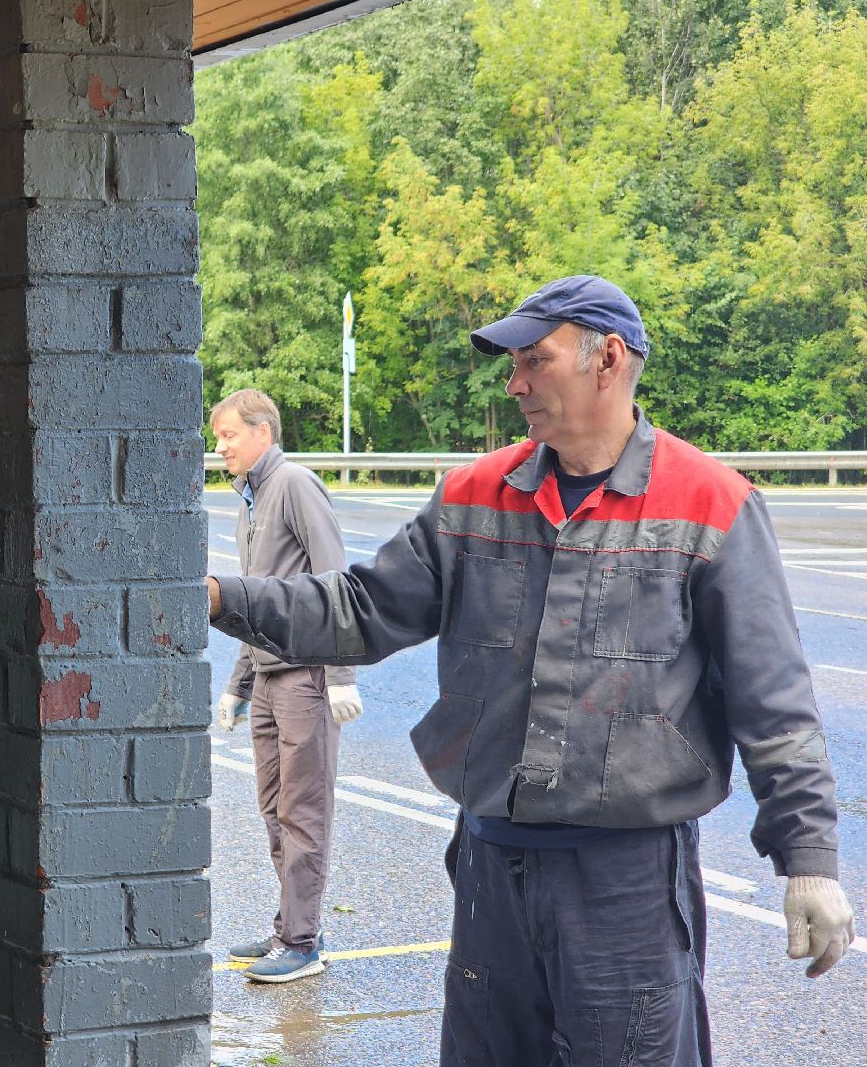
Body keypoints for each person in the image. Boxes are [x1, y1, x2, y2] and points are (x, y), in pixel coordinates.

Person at [206, 276, 853, 1063]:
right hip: (491, 870)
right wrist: (220, 597)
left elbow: (774, 701)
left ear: (607, 359)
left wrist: (809, 860)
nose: (514, 385)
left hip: (627, 885)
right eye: (512, 365)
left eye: (533, 361)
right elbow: (360, 608)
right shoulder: (475, 495)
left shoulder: (710, 504)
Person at [210, 389, 363, 984]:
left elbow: (336, 580)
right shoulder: (249, 498)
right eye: (218, 437)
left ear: (262, 433)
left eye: (229, 435)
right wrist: (237, 685)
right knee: (275, 810)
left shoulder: (294, 484)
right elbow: (257, 602)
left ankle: (301, 943)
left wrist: (341, 674)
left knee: (302, 813)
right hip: (269, 678)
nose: (220, 447)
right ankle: (292, 928)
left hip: (307, 678)